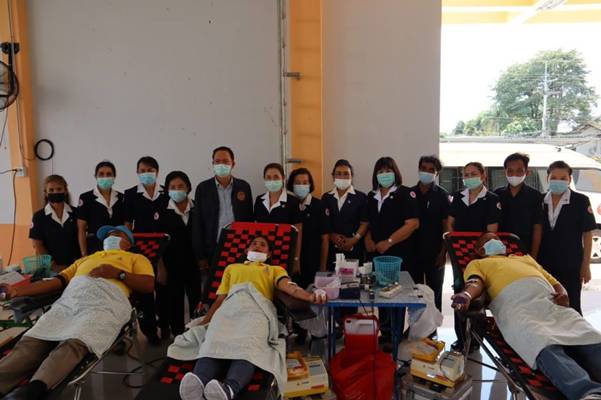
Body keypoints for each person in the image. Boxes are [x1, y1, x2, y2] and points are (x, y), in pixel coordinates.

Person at [0, 225, 154, 400]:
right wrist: (17, 291)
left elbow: (148, 285)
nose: (110, 237)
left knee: (77, 339)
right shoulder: (85, 259)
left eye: (117, 234)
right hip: (71, 301)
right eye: (108, 235)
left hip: (105, 302)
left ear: (128, 243)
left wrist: (119, 273)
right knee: (35, 339)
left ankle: (33, 390)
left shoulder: (136, 258)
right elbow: (57, 281)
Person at [451, 232, 601, 400]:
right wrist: (465, 296)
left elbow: (552, 280)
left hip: (550, 304)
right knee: (541, 344)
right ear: (480, 250)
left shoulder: (525, 258)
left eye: (497, 239)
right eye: (488, 240)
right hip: (519, 309)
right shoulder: (478, 263)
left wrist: (563, 293)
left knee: (589, 336)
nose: (495, 241)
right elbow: (474, 283)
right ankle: (588, 392)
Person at [177, 235, 326, 400]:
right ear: (246, 250)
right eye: (254, 244)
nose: (257, 246)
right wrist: (205, 323)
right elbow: (220, 300)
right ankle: (198, 381)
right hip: (229, 309)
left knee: (248, 347)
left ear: (269, 254)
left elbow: (291, 289)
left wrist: (311, 296)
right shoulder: (232, 268)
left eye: (263, 245)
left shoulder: (274, 270)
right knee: (213, 340)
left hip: (257, 311)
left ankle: (229, 388)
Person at [364, 157, 420, 346]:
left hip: (399, 253)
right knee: (380, 292)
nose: (384, 175)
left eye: (388, 171)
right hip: (377, 255)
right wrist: (368, 239)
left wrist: (389, 242)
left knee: (396, 294)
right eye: (380, 172)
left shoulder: (406, 194)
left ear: (395, 172)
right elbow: (368, 223)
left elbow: (412, 224)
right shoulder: (371, 196)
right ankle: (386, 331)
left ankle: (395, 334)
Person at [448, 161, 501, 351]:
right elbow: (450, 223)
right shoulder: (458, 197)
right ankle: (461, 339)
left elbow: (491, 231)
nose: (469, 177)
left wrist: (478, 251)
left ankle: (476, 341)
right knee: (459, 291)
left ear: (483, 176)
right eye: (466, 174)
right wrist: (452, 245)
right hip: (459, 255)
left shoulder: (492, 199)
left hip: (481, 257)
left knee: (478, 296)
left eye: (473, 174)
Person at [538, 161, 596, 314]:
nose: (558, 181)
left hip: (571, 265)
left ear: (570, 179)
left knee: (572, 306)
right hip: (544, 265)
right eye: (554, 177)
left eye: (563, 178)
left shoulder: (580, 201)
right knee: (547, 307)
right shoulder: (540, 200)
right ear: (547, 178)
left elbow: (587, 234)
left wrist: (586, 266)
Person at [124, 156, 169, 344]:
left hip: (165, 249)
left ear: (157, 172)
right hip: (140, 250)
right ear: (137, 172)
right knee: (145, 293)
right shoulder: (130, 194)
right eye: (142, 170)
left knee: (164, 289)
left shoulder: (166, 193)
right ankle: (149, 331)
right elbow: (127, 224)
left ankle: (165, 325)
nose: (146, 174)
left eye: (150, 170)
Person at [191, 146, 254, 273]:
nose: (221, 164)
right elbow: (198, 223)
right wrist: (200, 255)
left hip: (240, 247)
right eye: (217, 161)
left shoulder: (244, 187)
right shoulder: (203, 188)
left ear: (233, 164)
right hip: (212, 248)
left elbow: (249, 220)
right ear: (213, 164)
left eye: (225, 161)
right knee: (214, 282)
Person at [159, 171, 202, 337]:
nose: (177, 190)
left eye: (180, 186)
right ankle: (178, 337)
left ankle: (196, 334)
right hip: (171, 265)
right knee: (174, 301)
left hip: (195, 264)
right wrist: (160, 267)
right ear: (167, 190)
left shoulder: (198, 207)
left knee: (196, 299)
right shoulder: (162, 211)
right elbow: (158, 242)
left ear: (188, 187)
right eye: (173, 187)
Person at [411, 155, 450, 311]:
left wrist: (443, 252)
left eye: (431, 170)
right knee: (414, 293)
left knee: (435, 293)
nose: (426, 172)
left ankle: (434, 325)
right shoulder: (409, 194)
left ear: (436, 173)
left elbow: (447, 226)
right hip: (412, 253)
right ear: (418, 169)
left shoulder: (442, 195)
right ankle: (415, 324)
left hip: (435, 253)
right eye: (423, 168)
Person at [253, 163, 302, 274]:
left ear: (283, 178)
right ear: (264, 179)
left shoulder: (293, 202)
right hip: (263, 254)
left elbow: (298, 232)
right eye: (268, 177)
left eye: (276, 177)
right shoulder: (259, 200)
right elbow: (256, 229)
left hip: (285, 252)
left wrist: (296, 258)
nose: (272, 180)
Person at [287, 167, 331, 289]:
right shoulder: (288, 205)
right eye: (297, 183)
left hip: (313, 261)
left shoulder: (319, 206)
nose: (301, 186)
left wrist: (322, 267)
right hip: (291, 261)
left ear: (310, 184)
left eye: (305, 182)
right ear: (291, 185)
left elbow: (325, 239)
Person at [494, 153, 544, 258]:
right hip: (500, 251)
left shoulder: (535, 196)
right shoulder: (497, 195)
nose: (514, 174)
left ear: (527, 172)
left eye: (519, 171)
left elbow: (537, 227)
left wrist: (533, 256)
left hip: (525, 250)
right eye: (510, 171)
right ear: (505, 172)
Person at [321, 159, 369, 268]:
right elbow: (324, 224)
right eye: (338, 174)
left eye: (346, 174)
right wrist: (332, 236)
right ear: (333, 176)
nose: (342, 177)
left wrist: (353, 240)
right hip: (332, 251)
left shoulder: (361, 197)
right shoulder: (326, 197)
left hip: (354, 250)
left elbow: (365, 223)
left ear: (352, 176)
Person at [29, 175, 80, 272]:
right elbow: (37, 245)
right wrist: (53, 265)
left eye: (59, 189)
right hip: (52, 269)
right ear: (46, 193)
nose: (55, 192)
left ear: (65, 191)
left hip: (76, 265)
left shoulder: (76, 213)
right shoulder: (39, 217)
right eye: (51, 190)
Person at [77, 160, 125, 256]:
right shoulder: (86, 198)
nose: (105, 177)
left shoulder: (121, 198)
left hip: (117, 248)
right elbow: (81, 229)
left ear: (114, 177)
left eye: (109, 174)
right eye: (101, 174)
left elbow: (125, 225)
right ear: (95, 176)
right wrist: (84, 254)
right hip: (95, 248)